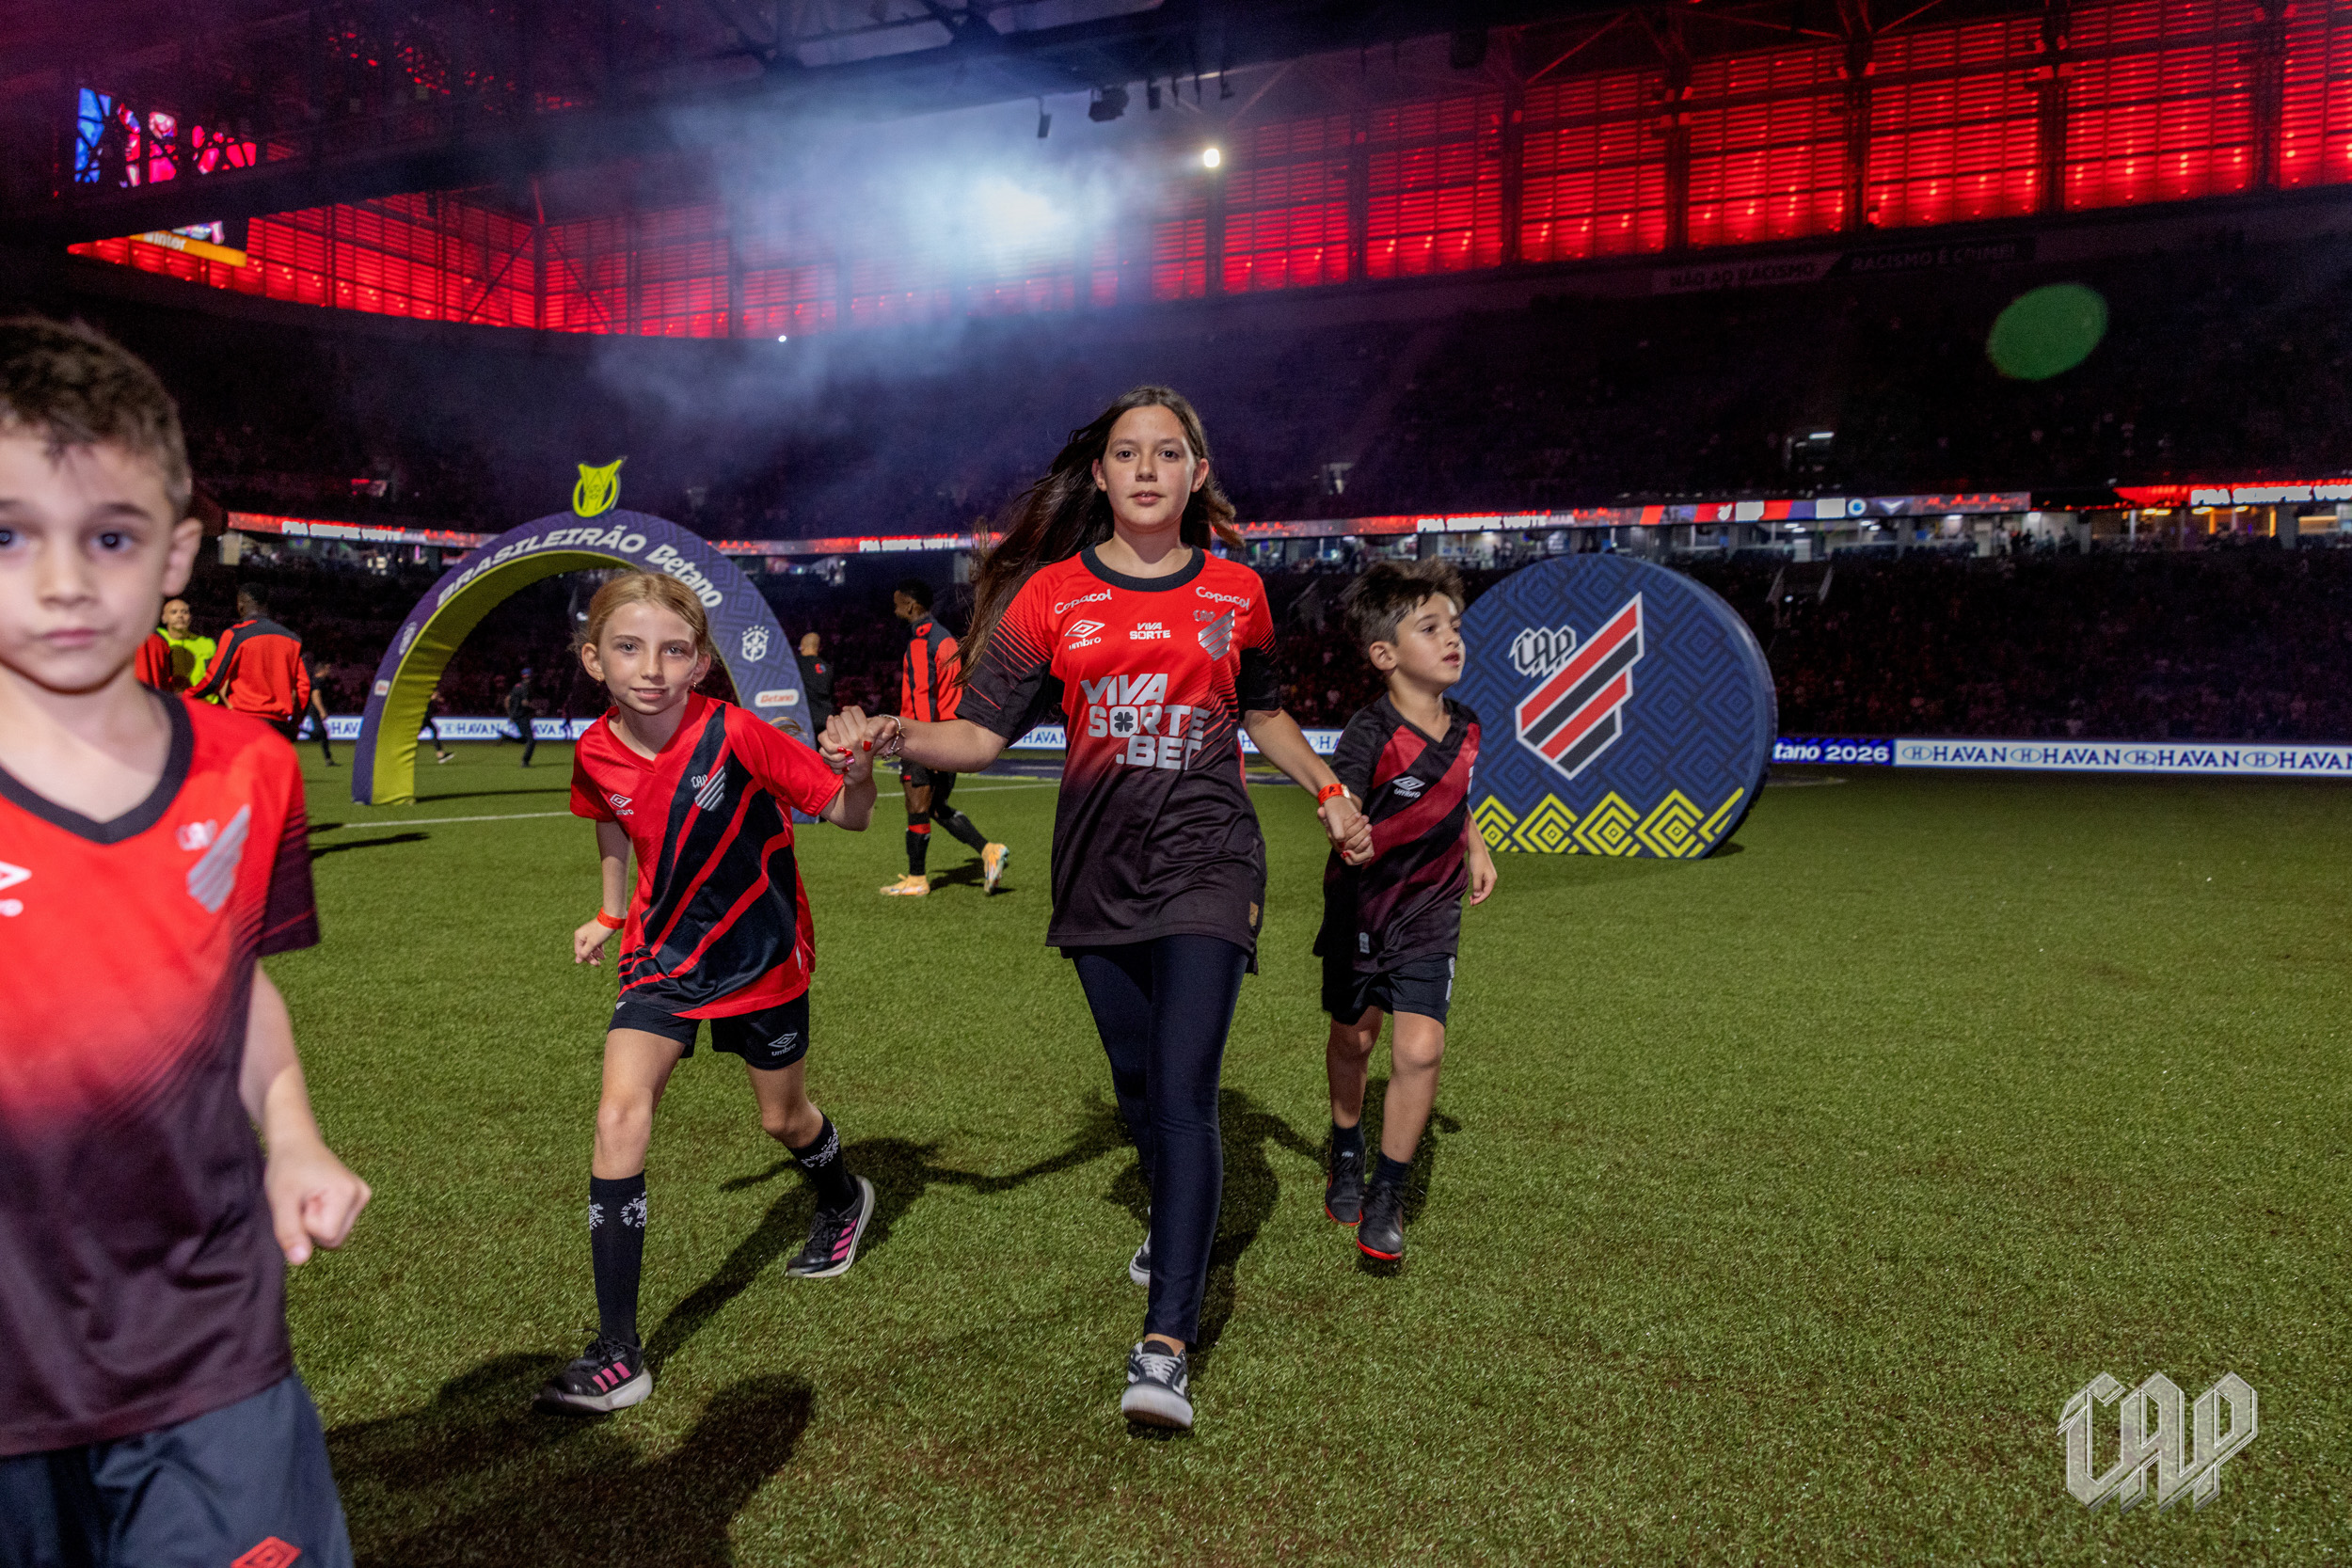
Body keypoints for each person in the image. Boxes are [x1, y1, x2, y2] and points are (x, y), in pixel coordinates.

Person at [825, 387, 1367, 1431]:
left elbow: (1260, 711)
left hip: (1209, 860)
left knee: (1184, 1089)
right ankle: (1171, 1211)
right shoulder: (1051, 596)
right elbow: (978, 737)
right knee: (1137, 1087)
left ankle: (1165, 1343)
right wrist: (891, 731)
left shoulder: (1238, 591)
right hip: (1098, 871)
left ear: (1197, 474)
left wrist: (1329, 790)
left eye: (1168, 452)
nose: (1147, 468)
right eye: (1128, 453)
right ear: (1102, 475)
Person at [0, 315, 370, 1565]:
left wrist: (292, 1132)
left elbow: (235, 981)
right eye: (8, 534)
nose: (63, 580)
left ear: (177, 554)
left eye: (109, 536)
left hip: (208, 1349)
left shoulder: (252, 771)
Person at [544, 572, 881, 1417]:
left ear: (699, 663)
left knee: (783, 1121)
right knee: (619, 1115)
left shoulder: (737, 732)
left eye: (673, 650)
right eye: (629, 647)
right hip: (660, 959)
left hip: (762, 959)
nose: (650, 667)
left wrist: (861, 775)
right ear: (594, 659)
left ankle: (844, 1195)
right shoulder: (593, 749)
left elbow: (849, 814)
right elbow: (611, 819)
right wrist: (610, 912)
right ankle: (618, 1351)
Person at [1316, 560, 1498, 1262]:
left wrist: (1475, 844)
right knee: (1355, 1041)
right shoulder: (1369, 732)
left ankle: (1387, 1193)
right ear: (1384, 655)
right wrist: (1346, 827)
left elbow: (1453, 793)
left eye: (1454, 625)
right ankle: (1347, 1147)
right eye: (1430, 627)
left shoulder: (1469, 725)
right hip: (1361, 908)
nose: (1452, 638)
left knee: (1420, 1049)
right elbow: (1340, 799)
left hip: (1431, 909)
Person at [878, 578, 1009, 897]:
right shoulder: (941, 638)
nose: (894, 610)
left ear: (911, 605)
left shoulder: (925, 640)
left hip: (927, 737)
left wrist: (925, 746)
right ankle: (989, 850)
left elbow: (928, 698)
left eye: (897, 604)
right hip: (945, 734)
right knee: (935, 807)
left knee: (917, 806)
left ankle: (917, 879)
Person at [192, 586, 311, 742]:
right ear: (266, 605)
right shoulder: (293, 639)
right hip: (278, 726)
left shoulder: (235, 635)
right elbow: (304, 687)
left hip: (243, 722)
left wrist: (184, 697)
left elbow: (213, 681)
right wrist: (295, 722)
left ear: (240, 604)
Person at [157, 595, 212, 689]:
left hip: (200, 696)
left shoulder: (206, 644)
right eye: (174, 612)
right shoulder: (158, 640)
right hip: (168, 695)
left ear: (190, 617)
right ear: (164, 618)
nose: (180, 616)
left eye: (185, 612)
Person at [302, 652, 337, 767]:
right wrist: (322, 710)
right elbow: (315, 696)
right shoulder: (319, 681)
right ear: (322, 670)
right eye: (328, 669)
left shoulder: (315, 680)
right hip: (315, 710)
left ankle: (328, 759)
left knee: (322, 734)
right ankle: (300, 730)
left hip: (312, 709)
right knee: (319, 734)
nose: (329, 671)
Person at [797, 630, 835, 733]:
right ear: (819, 648)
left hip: (803, 719)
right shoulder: (827, 667)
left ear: (802, 646)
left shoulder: (795, 665)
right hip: (825, 721)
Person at [502, 667, 539, 766]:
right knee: (531, 740)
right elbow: (524, 702)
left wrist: (510, 714)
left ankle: (507, 738)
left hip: (515, 716)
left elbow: (507, 700)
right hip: (522, 715)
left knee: (525, 739)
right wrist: (536, 710)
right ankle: (525, 761)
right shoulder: (526, 687)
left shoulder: (516, 686)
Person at [424, 682, 454, 764]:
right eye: (436, 692)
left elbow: (435, 698)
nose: (437, 694)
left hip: (426, 719)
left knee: (435, 731)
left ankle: (441, 755)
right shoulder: (425, 696)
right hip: (423, 719)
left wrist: (438, 698)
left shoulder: (429, 697)